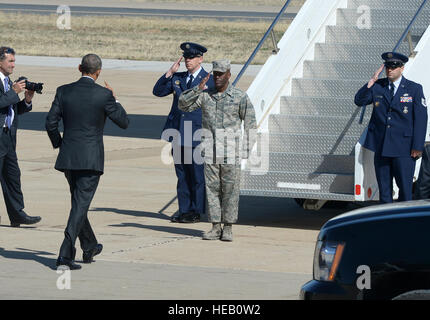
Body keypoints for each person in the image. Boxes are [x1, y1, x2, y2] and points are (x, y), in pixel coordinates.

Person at [46, 54, 129, 270]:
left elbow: (50, 123)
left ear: (79, 68)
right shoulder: (103, 95)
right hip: (91, 159)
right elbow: (124, 122)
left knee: (78, 205)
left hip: (69, 157)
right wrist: (115, 98)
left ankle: (90, 245)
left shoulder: (64, 90)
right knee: (79, 205)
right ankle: (65, 253)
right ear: (98, 71)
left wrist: (60, 144)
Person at [179, 59, 257, 241]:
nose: (218, 77)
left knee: (230, 190)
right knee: (212, 190)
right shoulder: (206, 95)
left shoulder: (239, 97)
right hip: (210, 152)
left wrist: (245, 149)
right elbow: (183, 104)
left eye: (221, 74)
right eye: (215, 74)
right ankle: (215, 227)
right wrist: (198, 88)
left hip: (231, 153)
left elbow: (251, 124)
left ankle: (228, 227)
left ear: (229, 75)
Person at [153, 42, 214, 223]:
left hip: (197, 134)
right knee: (182, 175)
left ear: (200, 59)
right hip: (179, 133)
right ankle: (184, 209)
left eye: (192, 58)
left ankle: (196, 211)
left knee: (197, 175)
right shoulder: (177, 78)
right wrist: (169, 73)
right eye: (186, 58)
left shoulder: (209, 80)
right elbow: (158, 91)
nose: (188, 61)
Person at [354, 52, 428, 203]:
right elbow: (359, 100)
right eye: (388, 66)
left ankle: (404, 221)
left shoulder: (414, 89)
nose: (390, 70)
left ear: (402, 68)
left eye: (394, 67)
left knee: (405, 190)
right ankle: (387, 221)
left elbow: (421, 119)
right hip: (382, 147)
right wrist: (372, 81)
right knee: (385, 191)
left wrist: (418, 146)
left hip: (404, 149)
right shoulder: (378, 87)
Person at [0, 46, 41, 227]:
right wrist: (14, 92)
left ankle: (17, 215)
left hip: (8, 137)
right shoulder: (9, 86)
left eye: (14, 61)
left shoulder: (8, 82)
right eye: (10, 61)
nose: (13, 65)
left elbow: (13, 109)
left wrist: (27, 100)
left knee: (12, 176)